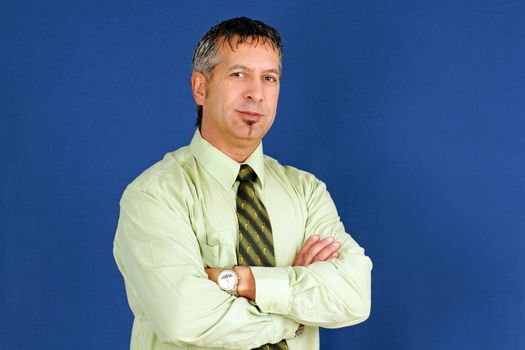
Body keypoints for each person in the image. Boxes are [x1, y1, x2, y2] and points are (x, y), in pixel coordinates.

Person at [113, 17, 372, 350]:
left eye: (269, 78)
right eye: (239, 75)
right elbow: (186, 319)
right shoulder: (155, 195)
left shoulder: (307, 192)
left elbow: (354, 295)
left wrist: (242, 281)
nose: (256, 94)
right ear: (200, 88)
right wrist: (294, 314)